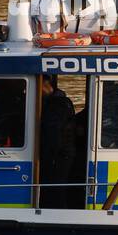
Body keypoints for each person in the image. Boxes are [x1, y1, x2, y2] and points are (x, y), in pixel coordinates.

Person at [38, 75, 78, 208]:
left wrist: (48, 158)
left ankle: (57, 214)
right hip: (64, 153)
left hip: (59, 155)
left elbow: (53, 134)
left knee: (54, 190)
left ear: (47, 84)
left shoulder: (55, 105)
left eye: (40, 86)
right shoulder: (62, 101)